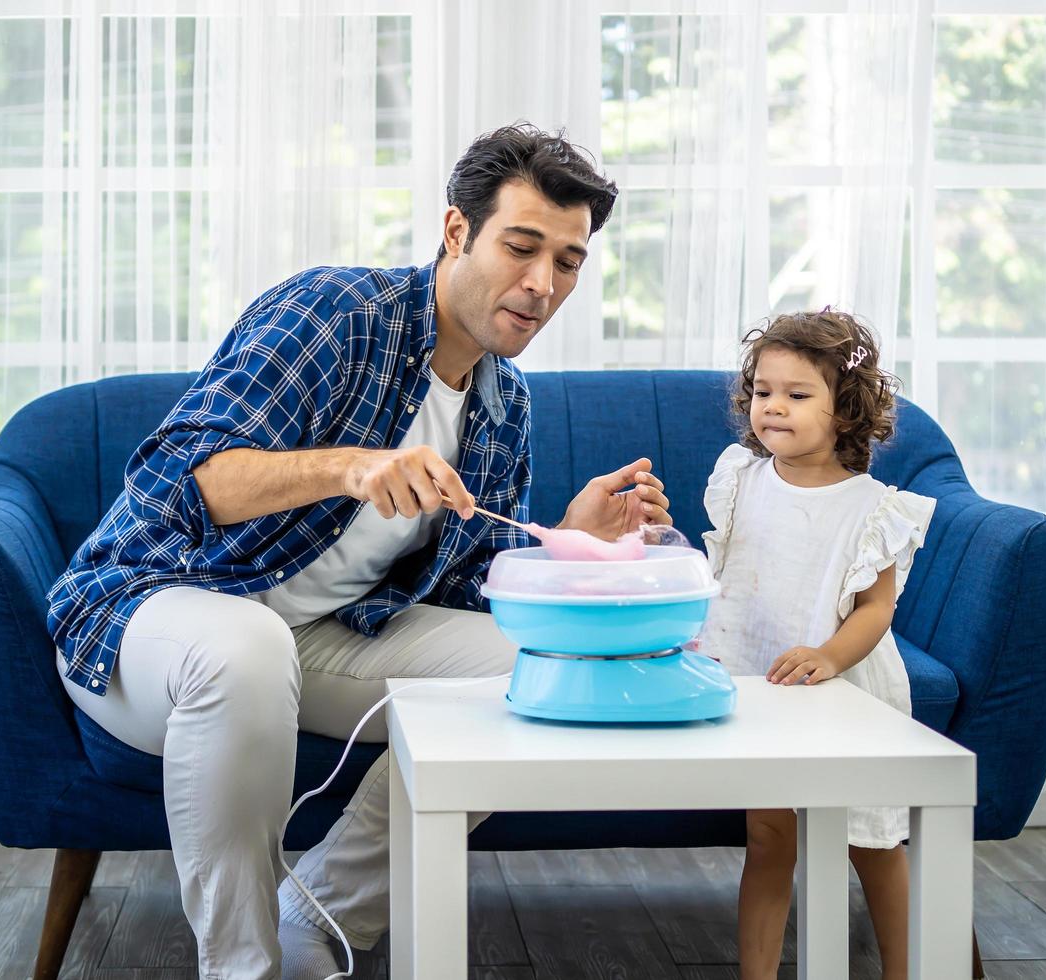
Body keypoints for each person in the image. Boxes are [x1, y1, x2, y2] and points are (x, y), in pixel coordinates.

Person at [45, 123, 672, 979]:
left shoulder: (504, 403)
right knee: (245, 645)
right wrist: (350, 466)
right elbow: (181, 480)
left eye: (567, 262)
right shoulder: (338, 313)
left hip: (324, 634)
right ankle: (241, 968)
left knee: (536, 665)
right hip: (156, 608)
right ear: (457, 232)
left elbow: (465, 598)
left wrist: (568, 542)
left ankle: (315, 922)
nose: (542, 284)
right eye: (522, 247)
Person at [697, 309, 936, 980]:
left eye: (797, 395)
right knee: (769, 839)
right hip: (763, 691)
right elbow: (728, 576)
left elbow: (875, 610)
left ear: (845, 411)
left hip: (847, 697)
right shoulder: (741, 479)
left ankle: (905, 970)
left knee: (873, 843)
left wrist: (829, 656)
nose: (774, 407)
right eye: (764, 392)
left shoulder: (872, 507)